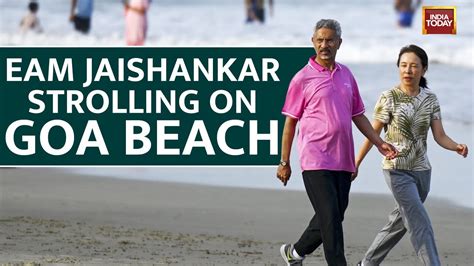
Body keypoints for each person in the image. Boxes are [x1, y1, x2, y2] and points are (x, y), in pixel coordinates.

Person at [276, 19, 397, 266]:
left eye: (330, 40)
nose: (324, 45)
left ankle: (295, 252)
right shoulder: (302, 78)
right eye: (320, 40)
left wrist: (378, 143)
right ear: (312, 42)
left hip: (343, 158)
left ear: (339, 43)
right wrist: (284, 161)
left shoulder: (346, 75)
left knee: (333, 215)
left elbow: (358, 115)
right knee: (330, 217)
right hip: (315, 157)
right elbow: (290, 123)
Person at [353, 44, 469, 266]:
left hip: (422, 171)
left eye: (414, 66)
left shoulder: (430, 99)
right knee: (420, 222)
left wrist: (456, 146)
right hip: (396, 169)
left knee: (399, 221)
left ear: (423, 70)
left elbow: (440, 135)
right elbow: (372, 133)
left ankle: (366, 264)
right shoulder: (389, 97)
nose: (408, 70)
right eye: (404, 65)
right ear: (398, 68)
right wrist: (356, 162)